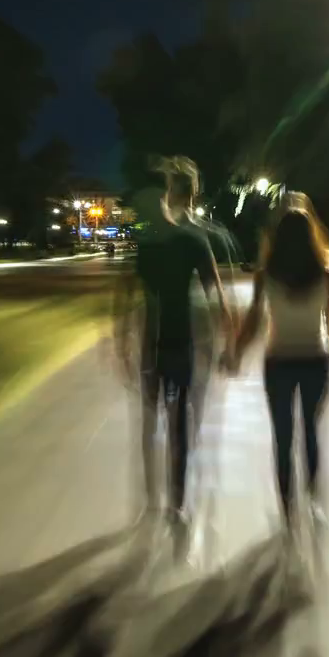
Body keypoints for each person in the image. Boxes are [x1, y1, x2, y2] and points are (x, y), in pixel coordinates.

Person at [114, 157, 234, 546]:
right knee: (179, 423)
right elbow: (218, 294)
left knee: (151, 423)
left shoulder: (149, 242)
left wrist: (121, 341)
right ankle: (176, 503)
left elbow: (124, 293)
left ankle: (154, 500)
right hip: (181, 344)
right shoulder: (194, 240)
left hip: (153, 344)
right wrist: (227, 343)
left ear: (166, 196)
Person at [229, 195, 329, 533]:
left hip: (279, 362)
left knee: (282, 436)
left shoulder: (266, 275)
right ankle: (311, 497)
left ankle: (287, 509)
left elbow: (254, 321)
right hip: (316, 361)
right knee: (311, 431)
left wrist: (236, 351)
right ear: (312, 236)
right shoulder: (327, 275)